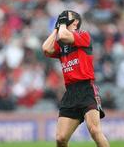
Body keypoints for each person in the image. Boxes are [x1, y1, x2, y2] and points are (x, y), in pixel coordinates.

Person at [42, 10, 110, 147]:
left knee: (95, 130)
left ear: (76, 22)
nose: (63, 18)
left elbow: (64, 35)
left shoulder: (83, 35)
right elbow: (46, 48)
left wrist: (61, 26)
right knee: (61, 138)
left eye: (66, 17)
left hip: (86, 89)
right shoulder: (61, 44)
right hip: (70, 92)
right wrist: (56, 28)